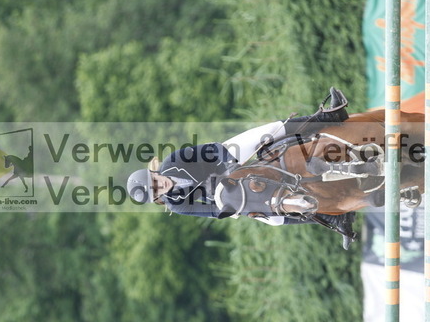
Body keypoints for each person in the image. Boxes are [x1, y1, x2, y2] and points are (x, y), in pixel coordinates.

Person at [127, 87, 357, 247]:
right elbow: (213, 211)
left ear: (154, 172)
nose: (159, 186)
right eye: (155, 191)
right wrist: (231, 205)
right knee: (274, 218)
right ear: (157, 198)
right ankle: (334, 218)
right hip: (227, 193)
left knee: (264, 134)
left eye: (154, 181)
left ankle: (330, 117)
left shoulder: (172, 162)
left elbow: (211, 149)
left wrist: (229, 166)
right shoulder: (177, 205)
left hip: (225, 158)